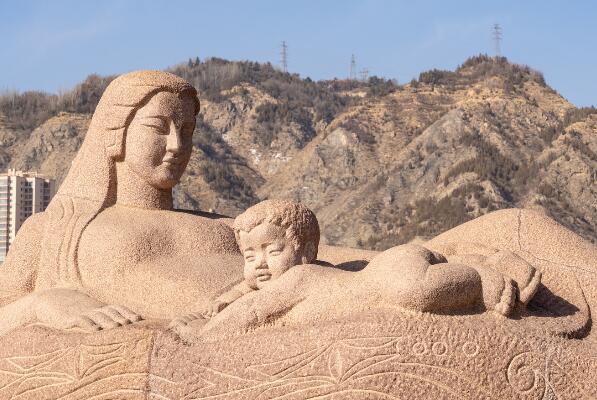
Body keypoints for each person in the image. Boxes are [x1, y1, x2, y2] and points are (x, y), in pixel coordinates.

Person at [0, 70, 243, 335]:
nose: (177, 144)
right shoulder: (54, 230)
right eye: (159, 127)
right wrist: (40, 304)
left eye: (187, 131)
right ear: (116, 133)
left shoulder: (231, 227)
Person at [170, 199, 323, 328]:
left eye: (273, 252)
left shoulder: (305, 278)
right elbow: (245, 287)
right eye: (250, 256)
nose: (260, 263)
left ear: (307, 252)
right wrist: (225, 300)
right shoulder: (256, 284)